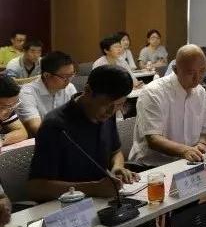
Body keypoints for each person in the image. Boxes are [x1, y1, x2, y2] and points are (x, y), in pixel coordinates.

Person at [27, 65, 139, 201]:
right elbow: (35, 188)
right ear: (87, 91)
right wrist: (93, 188)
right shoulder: (55, 125)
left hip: (103, 199)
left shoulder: (107, 114)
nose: (111, 112)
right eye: (106, 104)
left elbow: (116, 152)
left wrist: (117, 167)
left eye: (119, 105)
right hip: (66, 205)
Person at [128, 45, 206, 167]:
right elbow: (153, 139)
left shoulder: (200, 92)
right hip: (152, 165)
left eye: (202, 71)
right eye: (190, 72)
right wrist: (185, 151)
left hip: (188, 162)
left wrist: (202, 144)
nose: (197, 78)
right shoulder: (153, 92)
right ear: (175, 69)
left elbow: (205, 131)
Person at [18, 51, 77, 136]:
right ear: (46, 75)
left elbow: (77, 119)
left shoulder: (69, 88)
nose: (68, 80)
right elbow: (36, 128)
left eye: (71, 75)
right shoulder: (27, 93)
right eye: (65, 77)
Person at [0, 74, 29, 145]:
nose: (6, 112)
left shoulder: (9, 107)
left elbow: (22, 132)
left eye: (14, 105)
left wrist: (2, 139)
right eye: (2, 107)